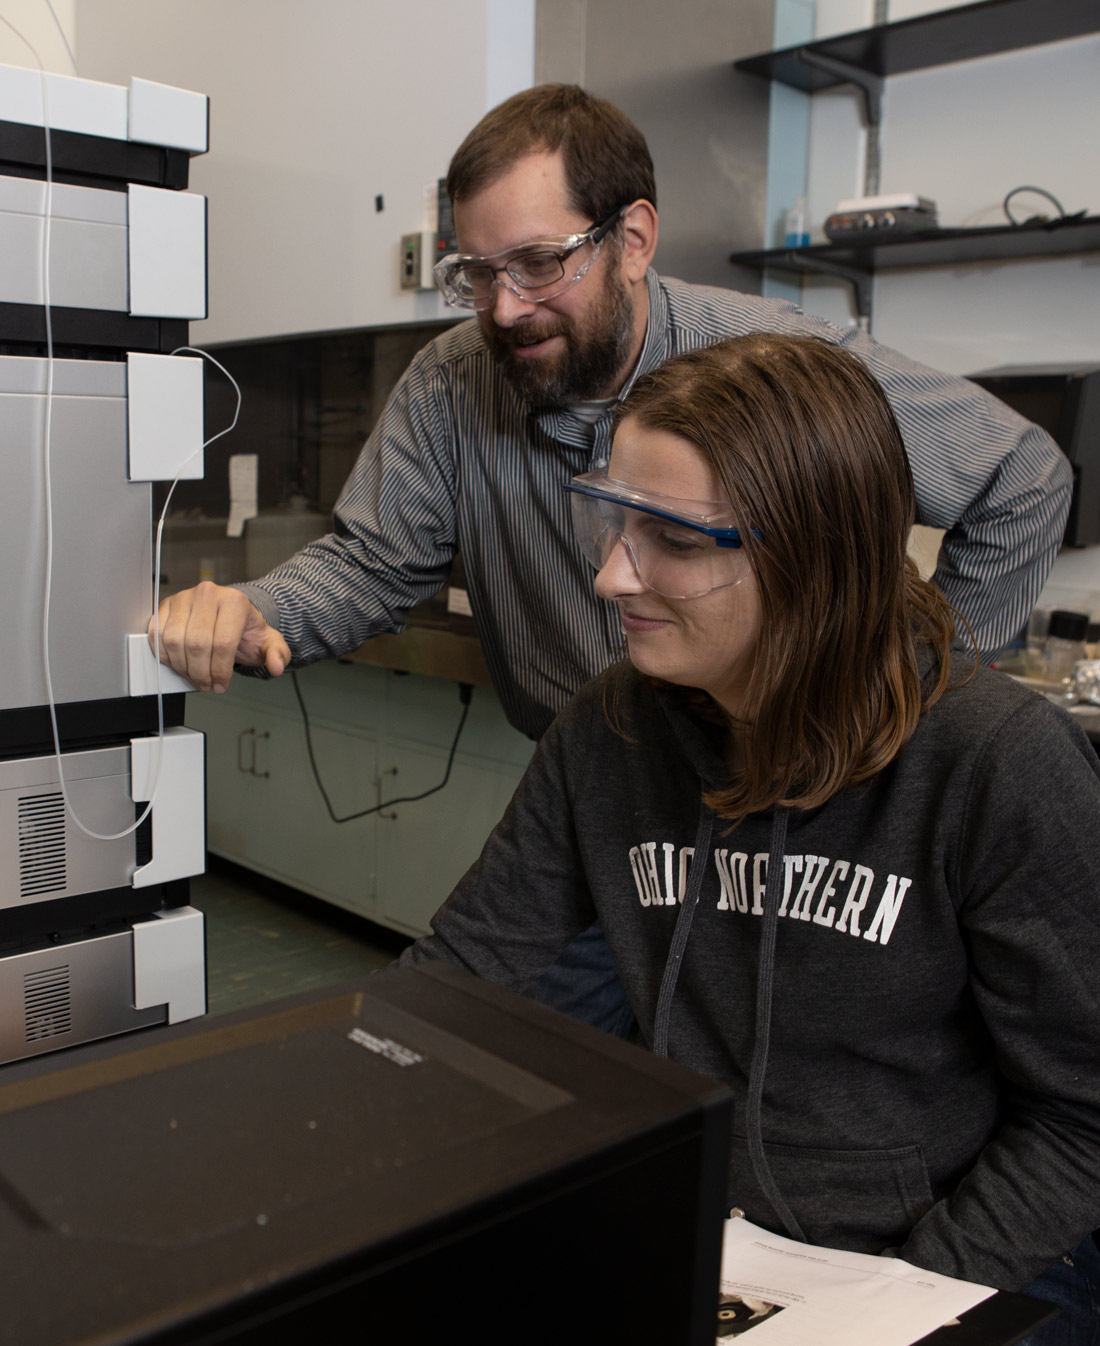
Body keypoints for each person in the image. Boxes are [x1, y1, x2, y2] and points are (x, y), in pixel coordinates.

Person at [151, 84, 1072, 1032]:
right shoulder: (453, 383)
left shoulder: (779, 374)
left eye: (540, 264)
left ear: (632, 239)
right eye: (476, 273)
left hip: (789, 815)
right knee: (510, 1068)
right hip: (600, 799)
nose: (504, 308)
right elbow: (377, 561)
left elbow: (1024, 477)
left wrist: (905, 706)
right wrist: (260, 611)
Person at [400, 333, 1100, 1343]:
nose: (607, 576)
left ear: (816, 558)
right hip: (729, 1238)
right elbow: (459, 983)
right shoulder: (613, 727)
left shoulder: (993, 762)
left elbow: (1085, 1117)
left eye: (673, 541)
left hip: (969, 1255)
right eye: (611, 520)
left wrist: (901, 1300)